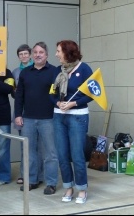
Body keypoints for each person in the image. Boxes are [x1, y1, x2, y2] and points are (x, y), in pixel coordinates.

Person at [51, 40, 93, 204]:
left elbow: (92, 93)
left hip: (78, 116)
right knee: (62, 155)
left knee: (77, 155)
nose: (56, 54)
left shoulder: (84, 69)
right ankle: (68, 187)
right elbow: (51, 92)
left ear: (68, 52)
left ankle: (82, 189)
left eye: (58, 51)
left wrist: (74, 103)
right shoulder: (57, 70)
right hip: (59, 116)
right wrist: (57, 102)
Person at [14, 41, 59, 195]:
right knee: (29, 152)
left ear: (46, 55)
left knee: (50, 153)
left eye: (41, 52)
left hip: (49, 119)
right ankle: (32, 180)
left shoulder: (54, 72)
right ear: (32, 55)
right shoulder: (25, 72)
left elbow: (59, 94)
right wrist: (18, 115)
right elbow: (19, 96)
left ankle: (51, 183)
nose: (38, 55)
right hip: (28, 119)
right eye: (35, 52)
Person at [11, 44, 43, 185]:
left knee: (39, 147)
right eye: (20, 54)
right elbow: (13, 93)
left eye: (25, 54)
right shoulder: (15, 72)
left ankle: (39, 175)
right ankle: (24, 174)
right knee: (25, 145)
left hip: (38, 113)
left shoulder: (38, 68)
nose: (23, 56)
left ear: (30, 55)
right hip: (21, 112)